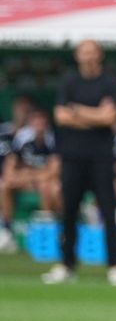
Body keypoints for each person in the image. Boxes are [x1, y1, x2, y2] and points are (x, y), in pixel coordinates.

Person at [42, 41, 116, 284]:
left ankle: (114, 266)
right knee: (68, 211)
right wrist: (94, 115)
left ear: (99, 55)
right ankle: (67, 265)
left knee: (108, 210)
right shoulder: (69, 82)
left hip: (101, 156)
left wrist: (77, 111)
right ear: (77, 56)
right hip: (73, 156)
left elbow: (110, 117)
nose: (88, 57)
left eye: (92, 52)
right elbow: (60, 116)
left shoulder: (109, 83)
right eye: (84, 53)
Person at [0, 102, 58, 252]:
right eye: (35, 120)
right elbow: (10, 169)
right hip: (30, 181)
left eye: (42, 120)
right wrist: (31, 176)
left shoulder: (53, 138)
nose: (39, 124)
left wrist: (31, 174)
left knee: (49, 186)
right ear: (30, 122)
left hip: (46, 182)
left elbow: (54, 170)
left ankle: (49, 233)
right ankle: (7, 230)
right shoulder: (22, 137)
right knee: (4, 184)